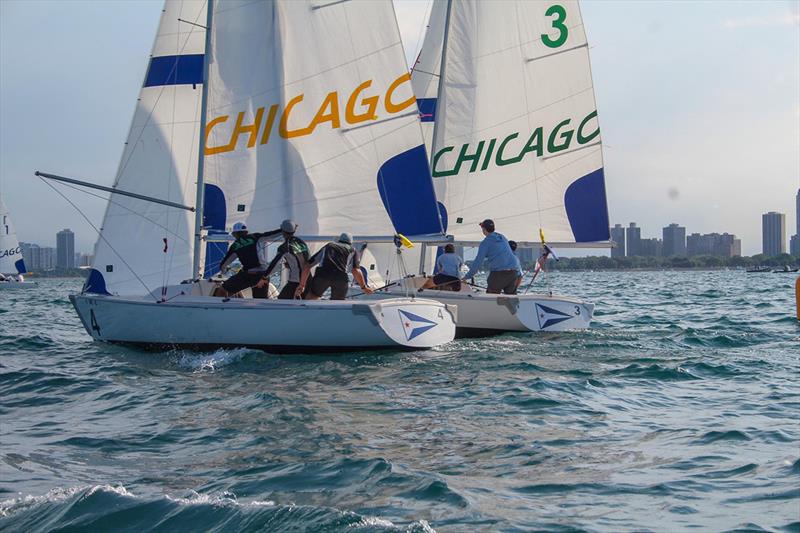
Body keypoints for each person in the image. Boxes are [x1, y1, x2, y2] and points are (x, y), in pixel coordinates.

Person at [213, 222, 281, 298]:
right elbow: (271, 234)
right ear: (246, 232)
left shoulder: (236, 245)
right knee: (260, 301)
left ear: (235, 234)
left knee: (223, 290)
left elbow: (223, 264)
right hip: (262, 276)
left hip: (247, 275)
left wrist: (224, 271)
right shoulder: (255, 237)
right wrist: (283, 230)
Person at [298, 233, 373, 300]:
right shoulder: (352, 250)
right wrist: (364, 287)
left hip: (322, 275)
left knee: (313, 296)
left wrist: (302, 285)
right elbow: (356, 270)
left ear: (339, 240)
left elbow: (307, 266)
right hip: (340, 277)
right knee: (338, 302)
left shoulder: (329, 246)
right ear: (350, 243)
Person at [462, 219, 522, 294]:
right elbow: (501, 251)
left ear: (484, 229)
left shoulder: (485, 243)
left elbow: (478, 262)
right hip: (513, 272)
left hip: (499, 274)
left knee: (492, 296)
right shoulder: (502, 237)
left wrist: (467, 277)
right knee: (511, 298)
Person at [254, 219, 309, 299]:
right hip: (307, 279)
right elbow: (305, 259)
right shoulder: (301, 242)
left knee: (281, 301)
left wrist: (264, 277)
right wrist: (290, 265)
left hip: (296, 282)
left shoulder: (284, 247)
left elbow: (274, 265)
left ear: (282, 231)